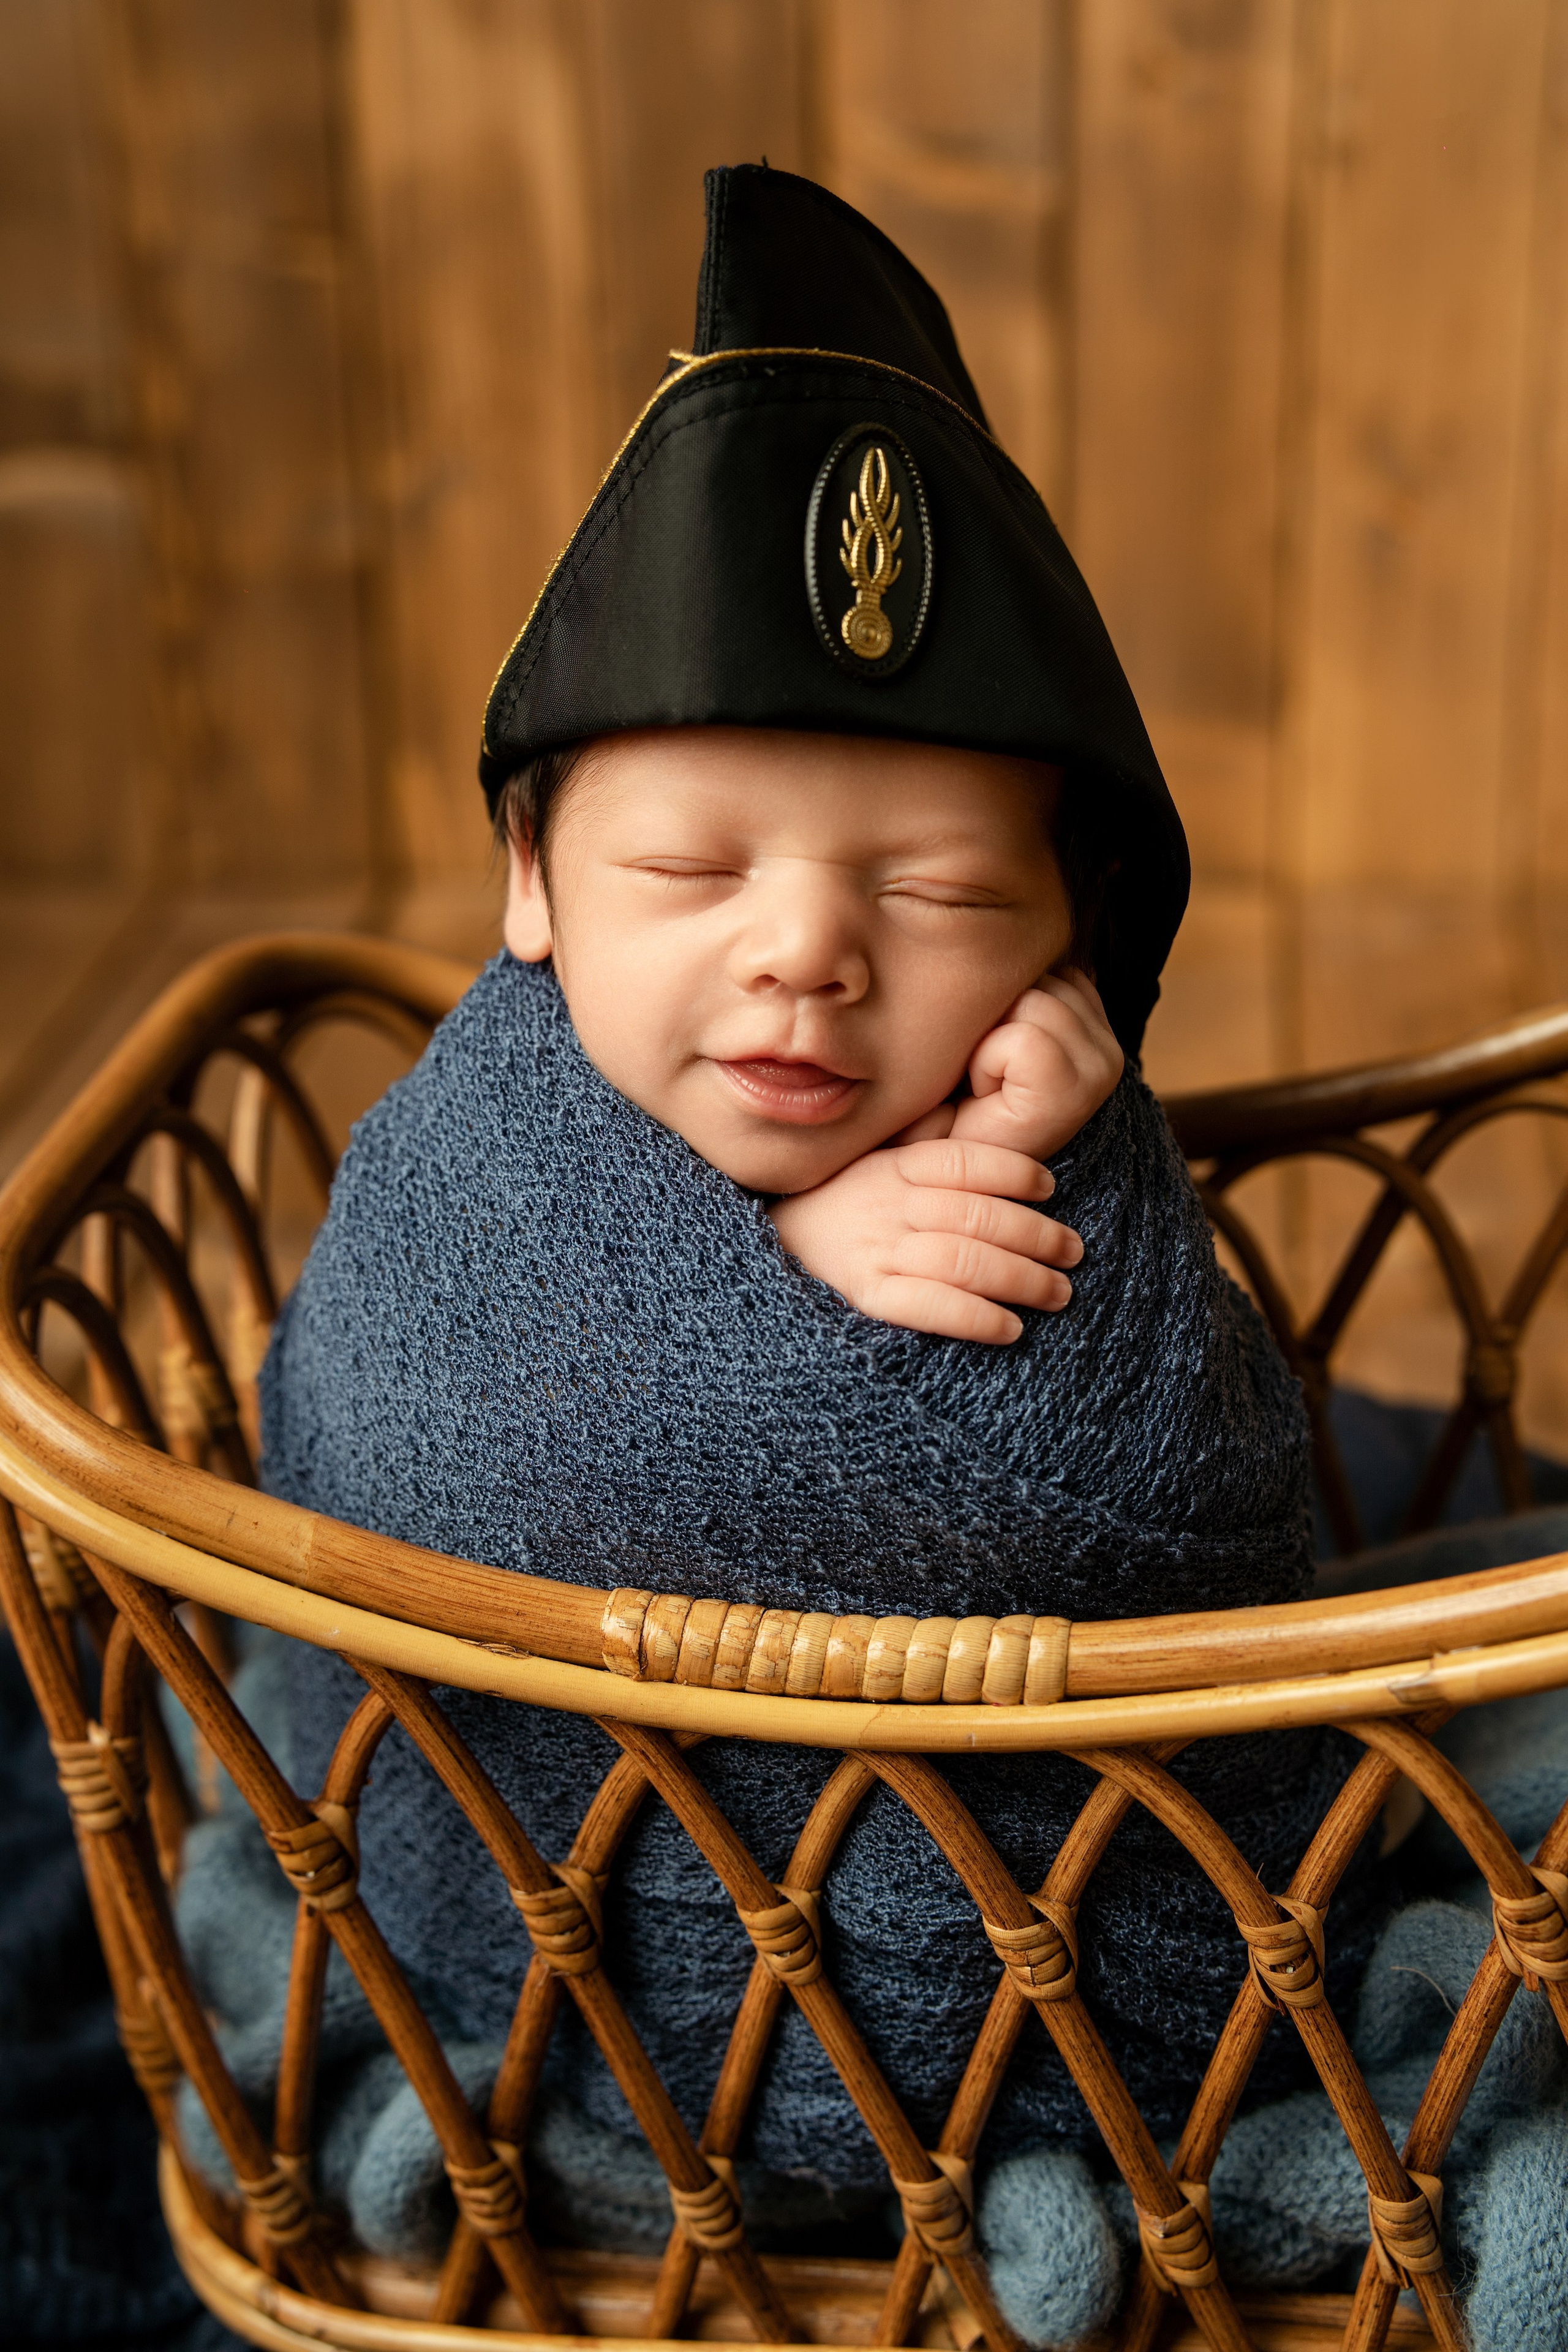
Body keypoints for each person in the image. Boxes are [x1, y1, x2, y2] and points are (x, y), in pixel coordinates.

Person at [242, 165, 1376, 2263]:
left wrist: (1083, 1171)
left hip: (1056, 1999)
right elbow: (415, 1420)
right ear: (530, 880)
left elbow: (1189, 1509)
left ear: (1077, 946)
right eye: (692, 873)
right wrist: (800, 1297)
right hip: (550, 1966)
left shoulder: (1049, 1137)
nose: (809, 957)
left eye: (938, 898)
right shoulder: (475, 1143)